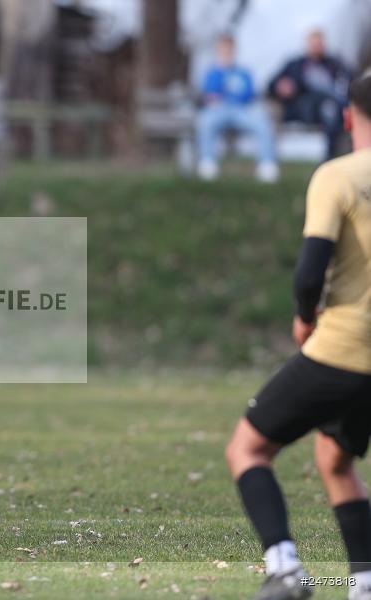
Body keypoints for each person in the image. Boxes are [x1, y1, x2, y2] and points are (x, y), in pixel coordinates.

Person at [225, 70, 371, 600]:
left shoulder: (337, 176)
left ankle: (285, 567)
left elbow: (311, 270)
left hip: (341, 350)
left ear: (348, 116)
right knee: (336, 461)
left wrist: (304, 317)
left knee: (248, 449)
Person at [196, 34, 279, 183]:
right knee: (205, 120)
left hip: (242, 110)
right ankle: (207, 163)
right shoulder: (212, 72)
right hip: (219, 110)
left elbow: (249, 94)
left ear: (234, 50)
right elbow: (209, 95)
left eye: (229, 49)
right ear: (219, 51)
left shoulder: (243, 73)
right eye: (223, 49)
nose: (227, 52)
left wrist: (228, 96)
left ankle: (267, 164)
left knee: (261, 120)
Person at [268, 29, 353, 161]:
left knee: (331, 107)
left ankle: (335, 156)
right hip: (305, 106)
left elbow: (351, 80)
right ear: (307, 45)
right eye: (313, 44)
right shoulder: (295, 64)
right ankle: (329, 158)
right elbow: (271, 84)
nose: (316, 47)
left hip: (331, 107)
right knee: (330, 106)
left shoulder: (334, 63)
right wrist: (281, 86)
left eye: (319, 43)